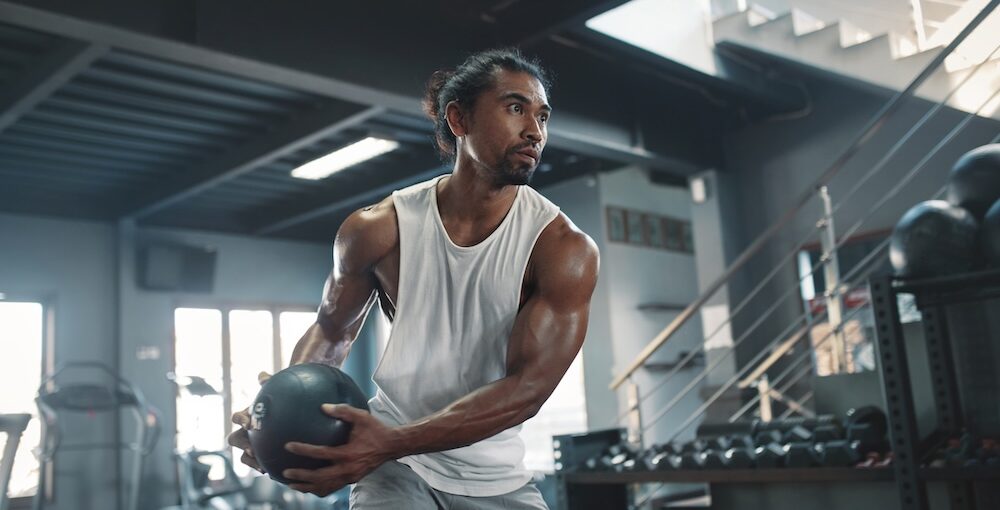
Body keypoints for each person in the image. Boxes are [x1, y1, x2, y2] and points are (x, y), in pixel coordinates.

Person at [228, 48, 599, 509]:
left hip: (495, 476)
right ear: (459, 120)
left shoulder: (562, 249)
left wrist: (392, 440)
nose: (535, 131)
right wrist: (278, 415)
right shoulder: (377, 228)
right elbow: (331, 331)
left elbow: (526, 392)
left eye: (542, 116)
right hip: (396, 472)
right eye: (515, 108)